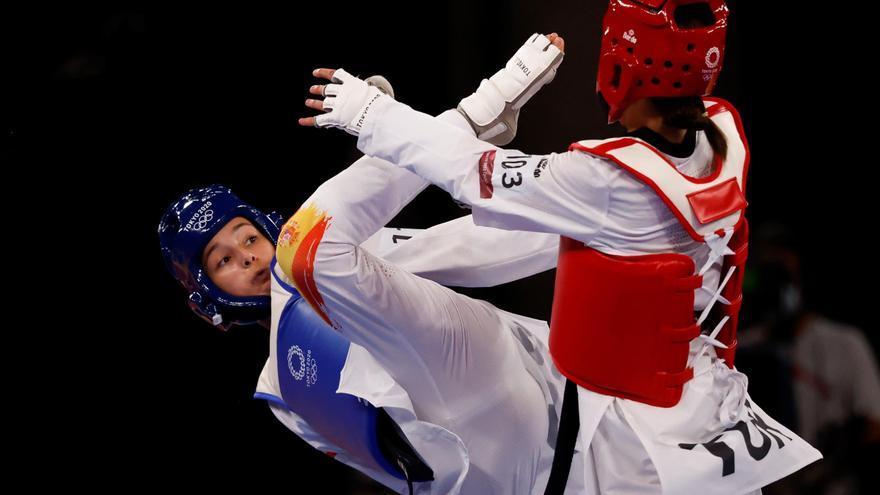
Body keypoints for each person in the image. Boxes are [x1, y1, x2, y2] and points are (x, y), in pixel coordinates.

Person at [297, 2, 823, 493]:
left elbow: (470, 171)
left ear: (621, 66)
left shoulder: (608, 182)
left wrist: (372, 114)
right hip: (714, 407)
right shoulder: (722, 133)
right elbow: (508, 226)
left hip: (640, 441)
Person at [160, 34, 586, 494]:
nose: (247, 255)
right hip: (527, 476)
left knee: (305, 256)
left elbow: (466, 247)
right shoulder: (283, 391)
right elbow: (411, 468)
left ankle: (449, 124)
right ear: (207, 301)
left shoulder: (349, 263)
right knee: (301, 257)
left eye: (248, 237)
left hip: (572, 391)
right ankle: (464, 116)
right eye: (224, 259)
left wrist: (578, 224)